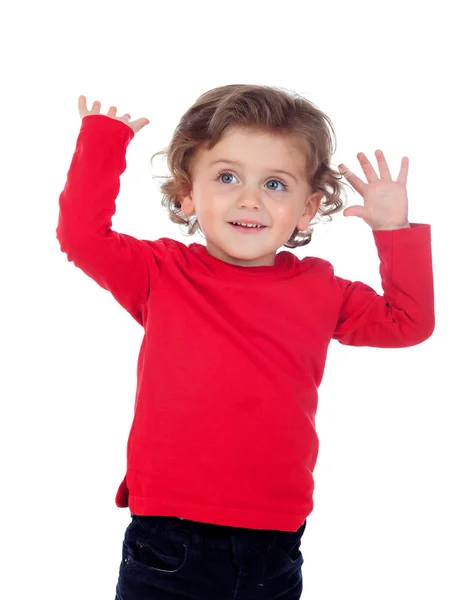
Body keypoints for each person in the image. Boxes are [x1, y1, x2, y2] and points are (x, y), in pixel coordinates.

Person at [56, 84, 434, 599]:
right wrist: (103, 141)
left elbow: (407, 321)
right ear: (188, 194)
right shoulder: (160, 271)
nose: (250, 199)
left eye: (276, 184)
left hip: (273, 542)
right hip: (168, 535)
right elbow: (81, 236)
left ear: (308, 208)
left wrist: (394, 229)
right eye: (227, 177)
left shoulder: (322, 288)